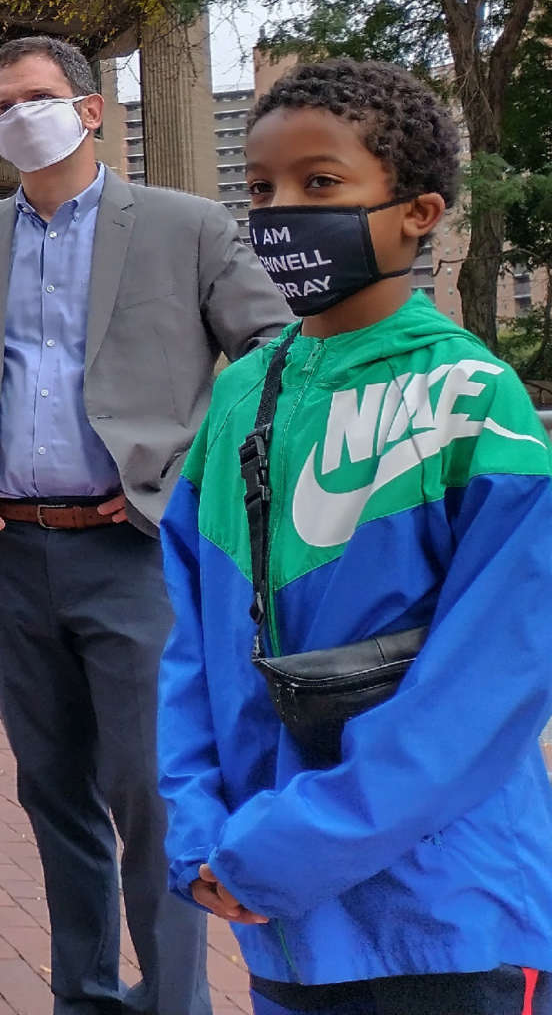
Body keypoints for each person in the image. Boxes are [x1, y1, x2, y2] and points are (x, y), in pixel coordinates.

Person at [0, 35, 291, 1015]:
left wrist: (187, 478)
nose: (18, 116)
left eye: (37, 98)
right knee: (51, 794)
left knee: (150, 797)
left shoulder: (183, 227)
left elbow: (274, 351)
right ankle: (84, 998)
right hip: (6, 553)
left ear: (90, 111)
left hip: (134, 553)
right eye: (1, 104)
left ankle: (172, 1000)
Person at [160, 59, 552, 1015]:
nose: (282, 213)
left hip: (449, 917)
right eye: (261, 189)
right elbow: (191, 647)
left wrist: (281, 851)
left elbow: (485, 688)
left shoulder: (477, 404)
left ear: (418, 211)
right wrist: (198, 826)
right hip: (284, 927)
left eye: (320, 185)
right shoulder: (243, 396)